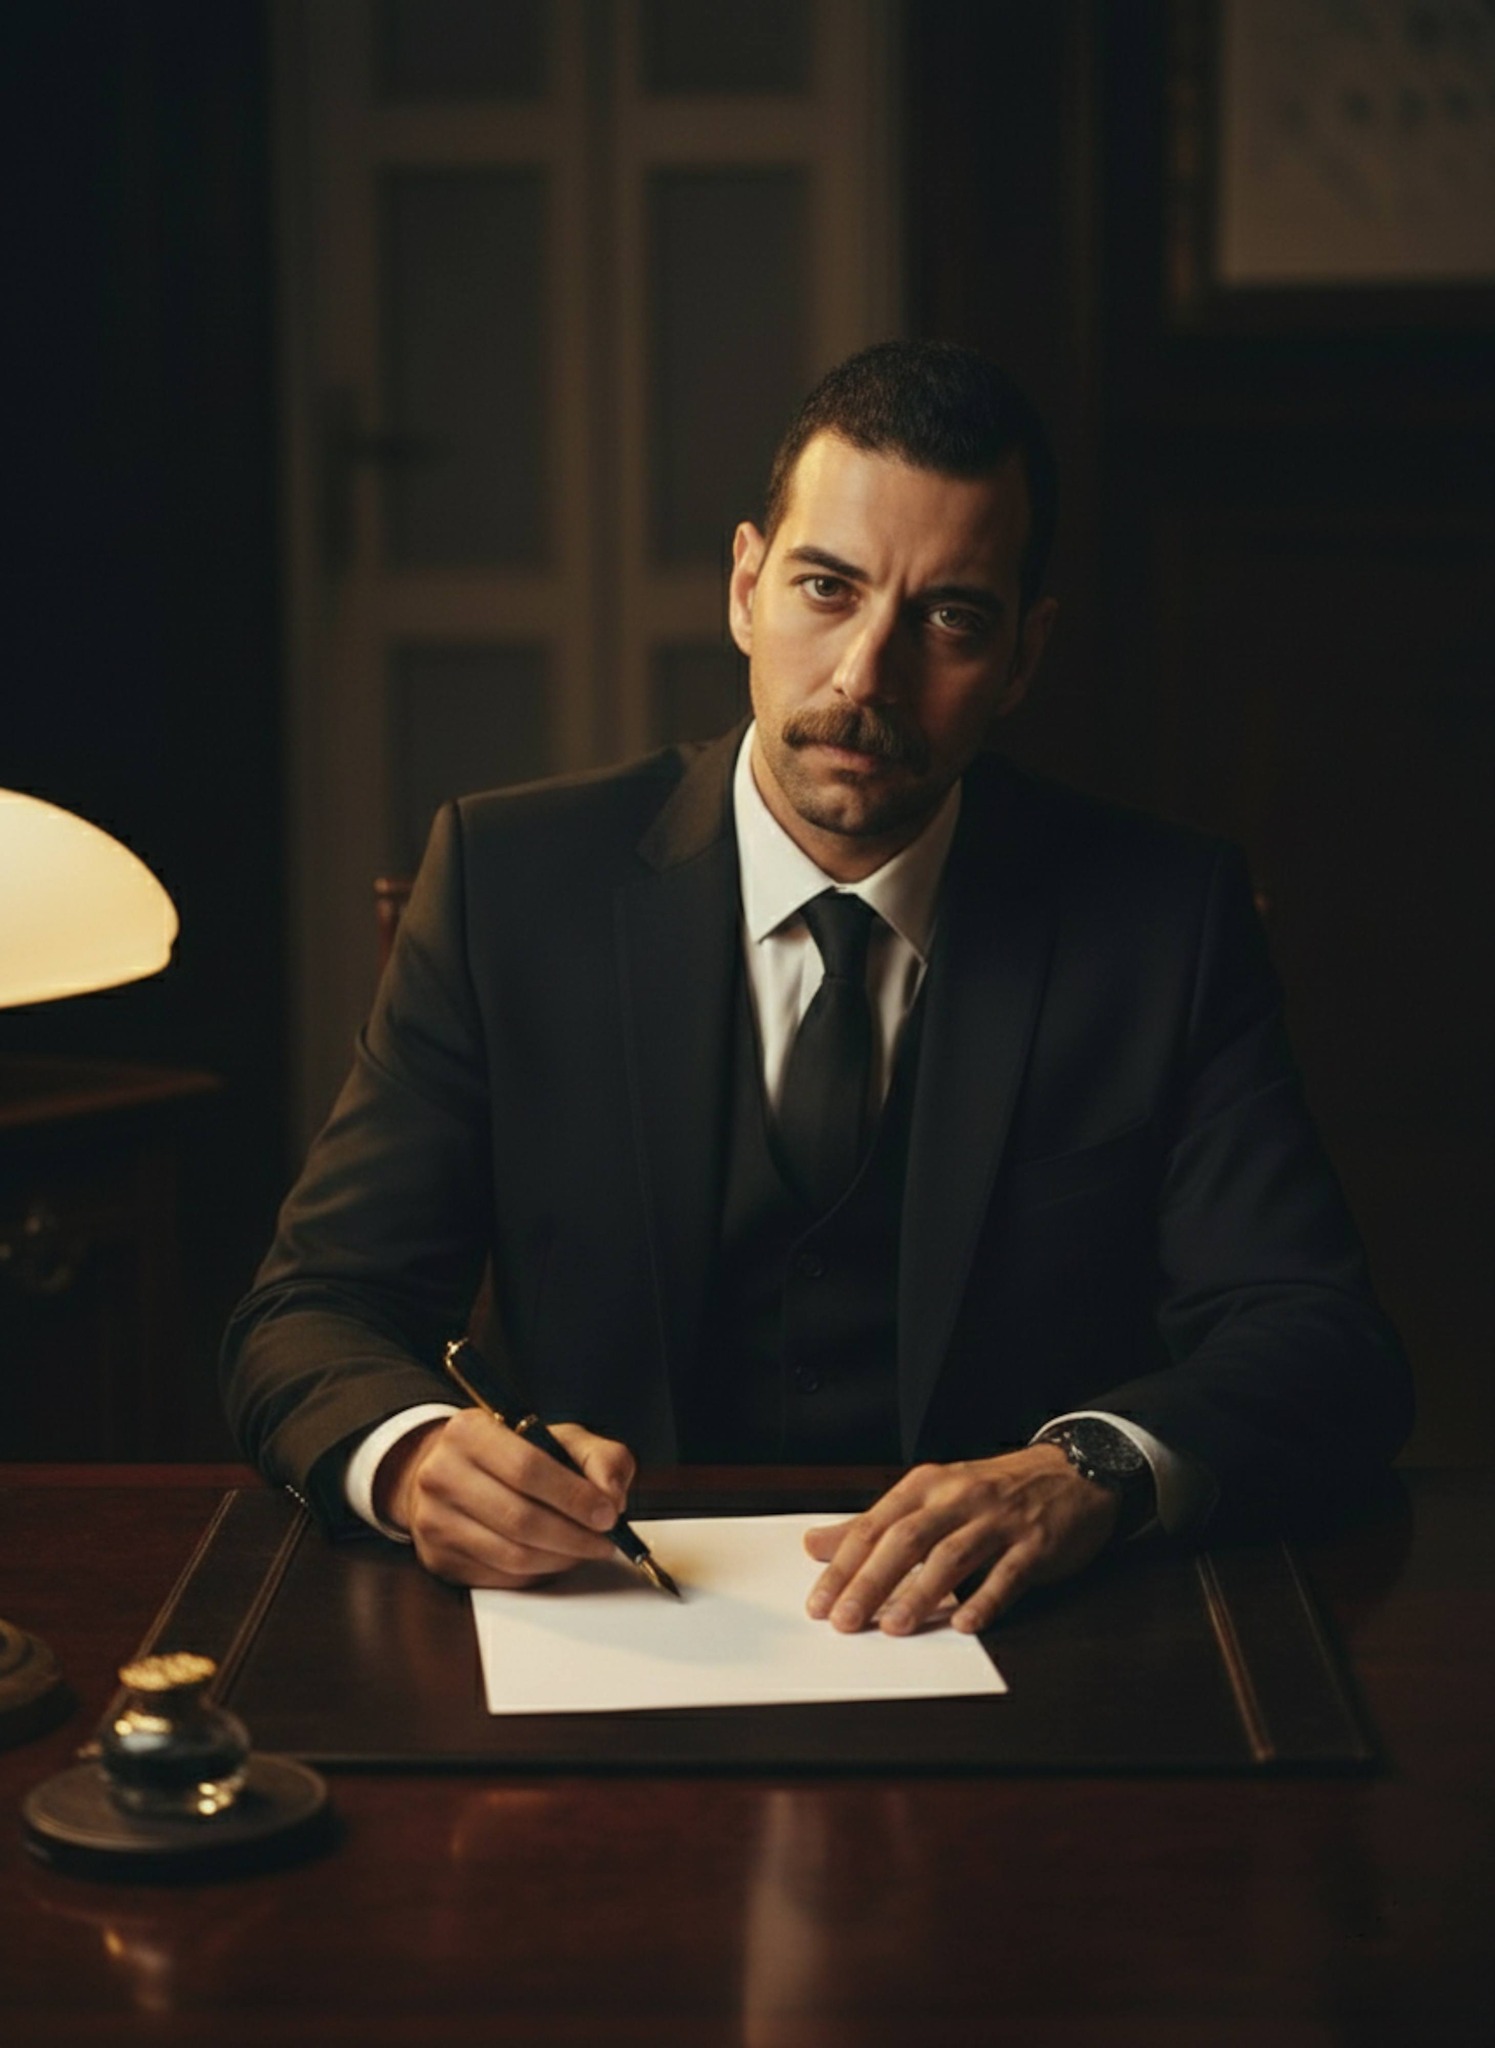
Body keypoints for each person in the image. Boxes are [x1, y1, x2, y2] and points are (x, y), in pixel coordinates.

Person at [222, 341, 1411, 1637]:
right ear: (746, 587)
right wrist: (409, 1458)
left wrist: (1094, 1468)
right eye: (826, 589)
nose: (865, 678)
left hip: (1008, 1642)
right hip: (597, 1627)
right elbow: (312, 1310)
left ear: (1023, 656)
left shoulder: (1162, 922)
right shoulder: (510, 883)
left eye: (949, 616)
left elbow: (1323, 1347)